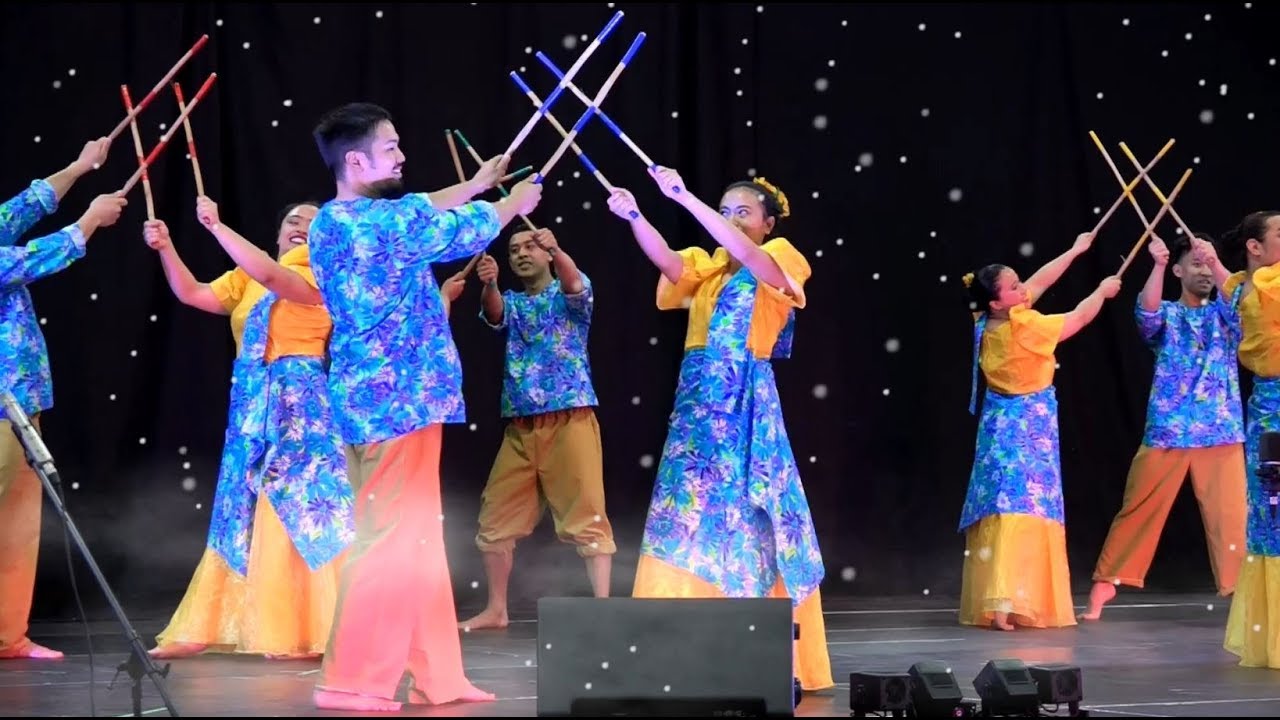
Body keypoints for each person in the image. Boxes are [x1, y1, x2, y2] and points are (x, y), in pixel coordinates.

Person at [306, 102, 541, 711]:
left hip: (377, 400)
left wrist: (480, 183)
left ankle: (438, 675)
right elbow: (456, 229)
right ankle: (351, 680)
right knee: (387, 541)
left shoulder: (337, 220)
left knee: (414, 540)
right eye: (391, 149)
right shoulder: (378, 228)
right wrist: (511, 204)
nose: (403, 157)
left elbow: (422, 206)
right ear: (356, 161)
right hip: (396, 403)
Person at [605, 169, 833, 692]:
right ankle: (677, 644)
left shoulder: (781, 255)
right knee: (686, 513)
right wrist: (636, 214)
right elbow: (666, 261)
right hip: (697, 407)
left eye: (742, 212)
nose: (730, 220)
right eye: (725, 211)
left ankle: (758, 642)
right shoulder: (707, 268)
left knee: (749, 511)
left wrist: (686, 199)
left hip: (746, 401)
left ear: (768, 222)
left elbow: (759, 263)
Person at [143, 197, 354, 659]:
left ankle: (308, 628)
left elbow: (279, 279)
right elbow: (193, 294)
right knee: (239, 508)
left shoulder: (327, 275)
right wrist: (167, 248)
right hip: (252, 399)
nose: (299, 226)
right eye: (291, 220)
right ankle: (207, 624)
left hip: (303, 403)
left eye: (312, 223)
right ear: (277, 235)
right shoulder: (249, 276)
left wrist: (217, 227)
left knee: (298, 507)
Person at [959, 234, 1120, 631]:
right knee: (1026, 510)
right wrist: (1102, 290)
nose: (1023, 288)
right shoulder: (1025, 327)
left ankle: (997, 601)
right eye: (1014, 287)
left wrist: (1075, 250)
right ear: (998, 301)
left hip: (998, 426)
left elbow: (1039, 282)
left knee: (1003, 507)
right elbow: (1077, 319)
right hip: (1028, 426)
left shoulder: (984, 321)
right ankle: (1009, 601)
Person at [1082, 232, 1245, 620]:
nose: (1204, 271)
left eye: (1208, 264)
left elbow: (1240, 302)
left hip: (1219, 428)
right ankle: (1107, 582)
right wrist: (1155, 265)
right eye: (1196, 263)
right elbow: (1147, 314)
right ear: (1178, 270)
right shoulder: (1170, 315)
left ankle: (1241, 592)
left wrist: (1216, 261)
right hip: (1169, 428)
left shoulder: (1224, 313)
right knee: (1139, 508)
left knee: (1233, 516)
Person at [0, 139, 121, 660]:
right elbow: (28, 260)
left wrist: (78, 165)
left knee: (19, 524)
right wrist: (89, 220)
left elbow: (23, 207)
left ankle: (9, 634)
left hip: (21, 399)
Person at [459, 228, 615, 631]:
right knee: (494, 519)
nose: (522, 254)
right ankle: (497, 609)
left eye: (530, 247)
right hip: (521, 427)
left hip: (570, 419)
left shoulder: (569, 297)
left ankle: (604, 610)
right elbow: (493, 314)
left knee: (587, 514)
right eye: (514, 250)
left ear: (546, 253)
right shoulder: (513, 303)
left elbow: (575, 282)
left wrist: (558, 249)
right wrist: (490, 283)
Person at [1219, 211, 1280, 668]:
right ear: (1255, 247)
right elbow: (1239, 285)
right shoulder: (1249, 286)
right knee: (1270, 514)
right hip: (1267, 407)